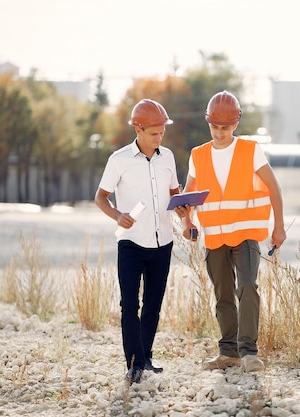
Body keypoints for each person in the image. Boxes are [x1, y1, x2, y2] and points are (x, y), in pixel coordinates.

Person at [176, 91, 286, 372]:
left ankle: (249, 352)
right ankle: (228, 353)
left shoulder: (251, 150)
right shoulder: (198, 155)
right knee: (222, 293)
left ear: (235, 124)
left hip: (247, 233)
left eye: (225, 128)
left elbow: (273, 187)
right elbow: (189, 195)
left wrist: (279, 227)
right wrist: (186, 220)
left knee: (247, 285)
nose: (219, 133)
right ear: (208, 123)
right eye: (214, 127)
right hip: (214, 236)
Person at [95, 99, 181, 384]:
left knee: (153, 305)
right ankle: (133, 364)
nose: (159, 138)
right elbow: (101, 197)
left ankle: (146, 358)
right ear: (139, 128)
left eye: (162, 132)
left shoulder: (167, 157)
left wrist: (184, 209)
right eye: (154, 133)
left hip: (163, 242)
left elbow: (174, 193)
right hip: (131, 243)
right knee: (129, 305)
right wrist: (117, 215)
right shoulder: (118, 159)